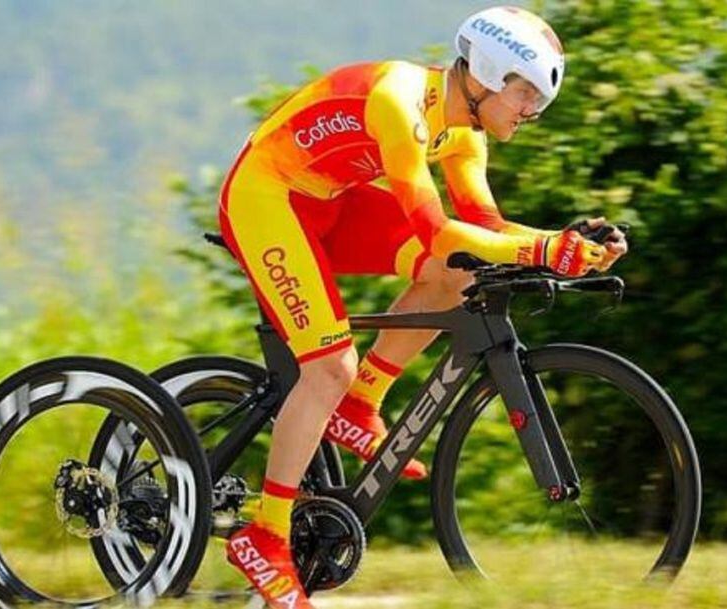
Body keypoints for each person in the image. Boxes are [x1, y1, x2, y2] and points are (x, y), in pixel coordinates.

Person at [217, 6, 627, 607]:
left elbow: (483, 230)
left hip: (329, 202)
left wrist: (567, 246)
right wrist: (546, 249)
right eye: (524, 94)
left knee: (460, 276)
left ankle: (362, 403)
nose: (531, 112)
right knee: (329, 364)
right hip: (266, 198)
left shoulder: (464, 133)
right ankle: (265, 534)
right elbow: (438, 231)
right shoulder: (399, 102)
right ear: (486, 74)